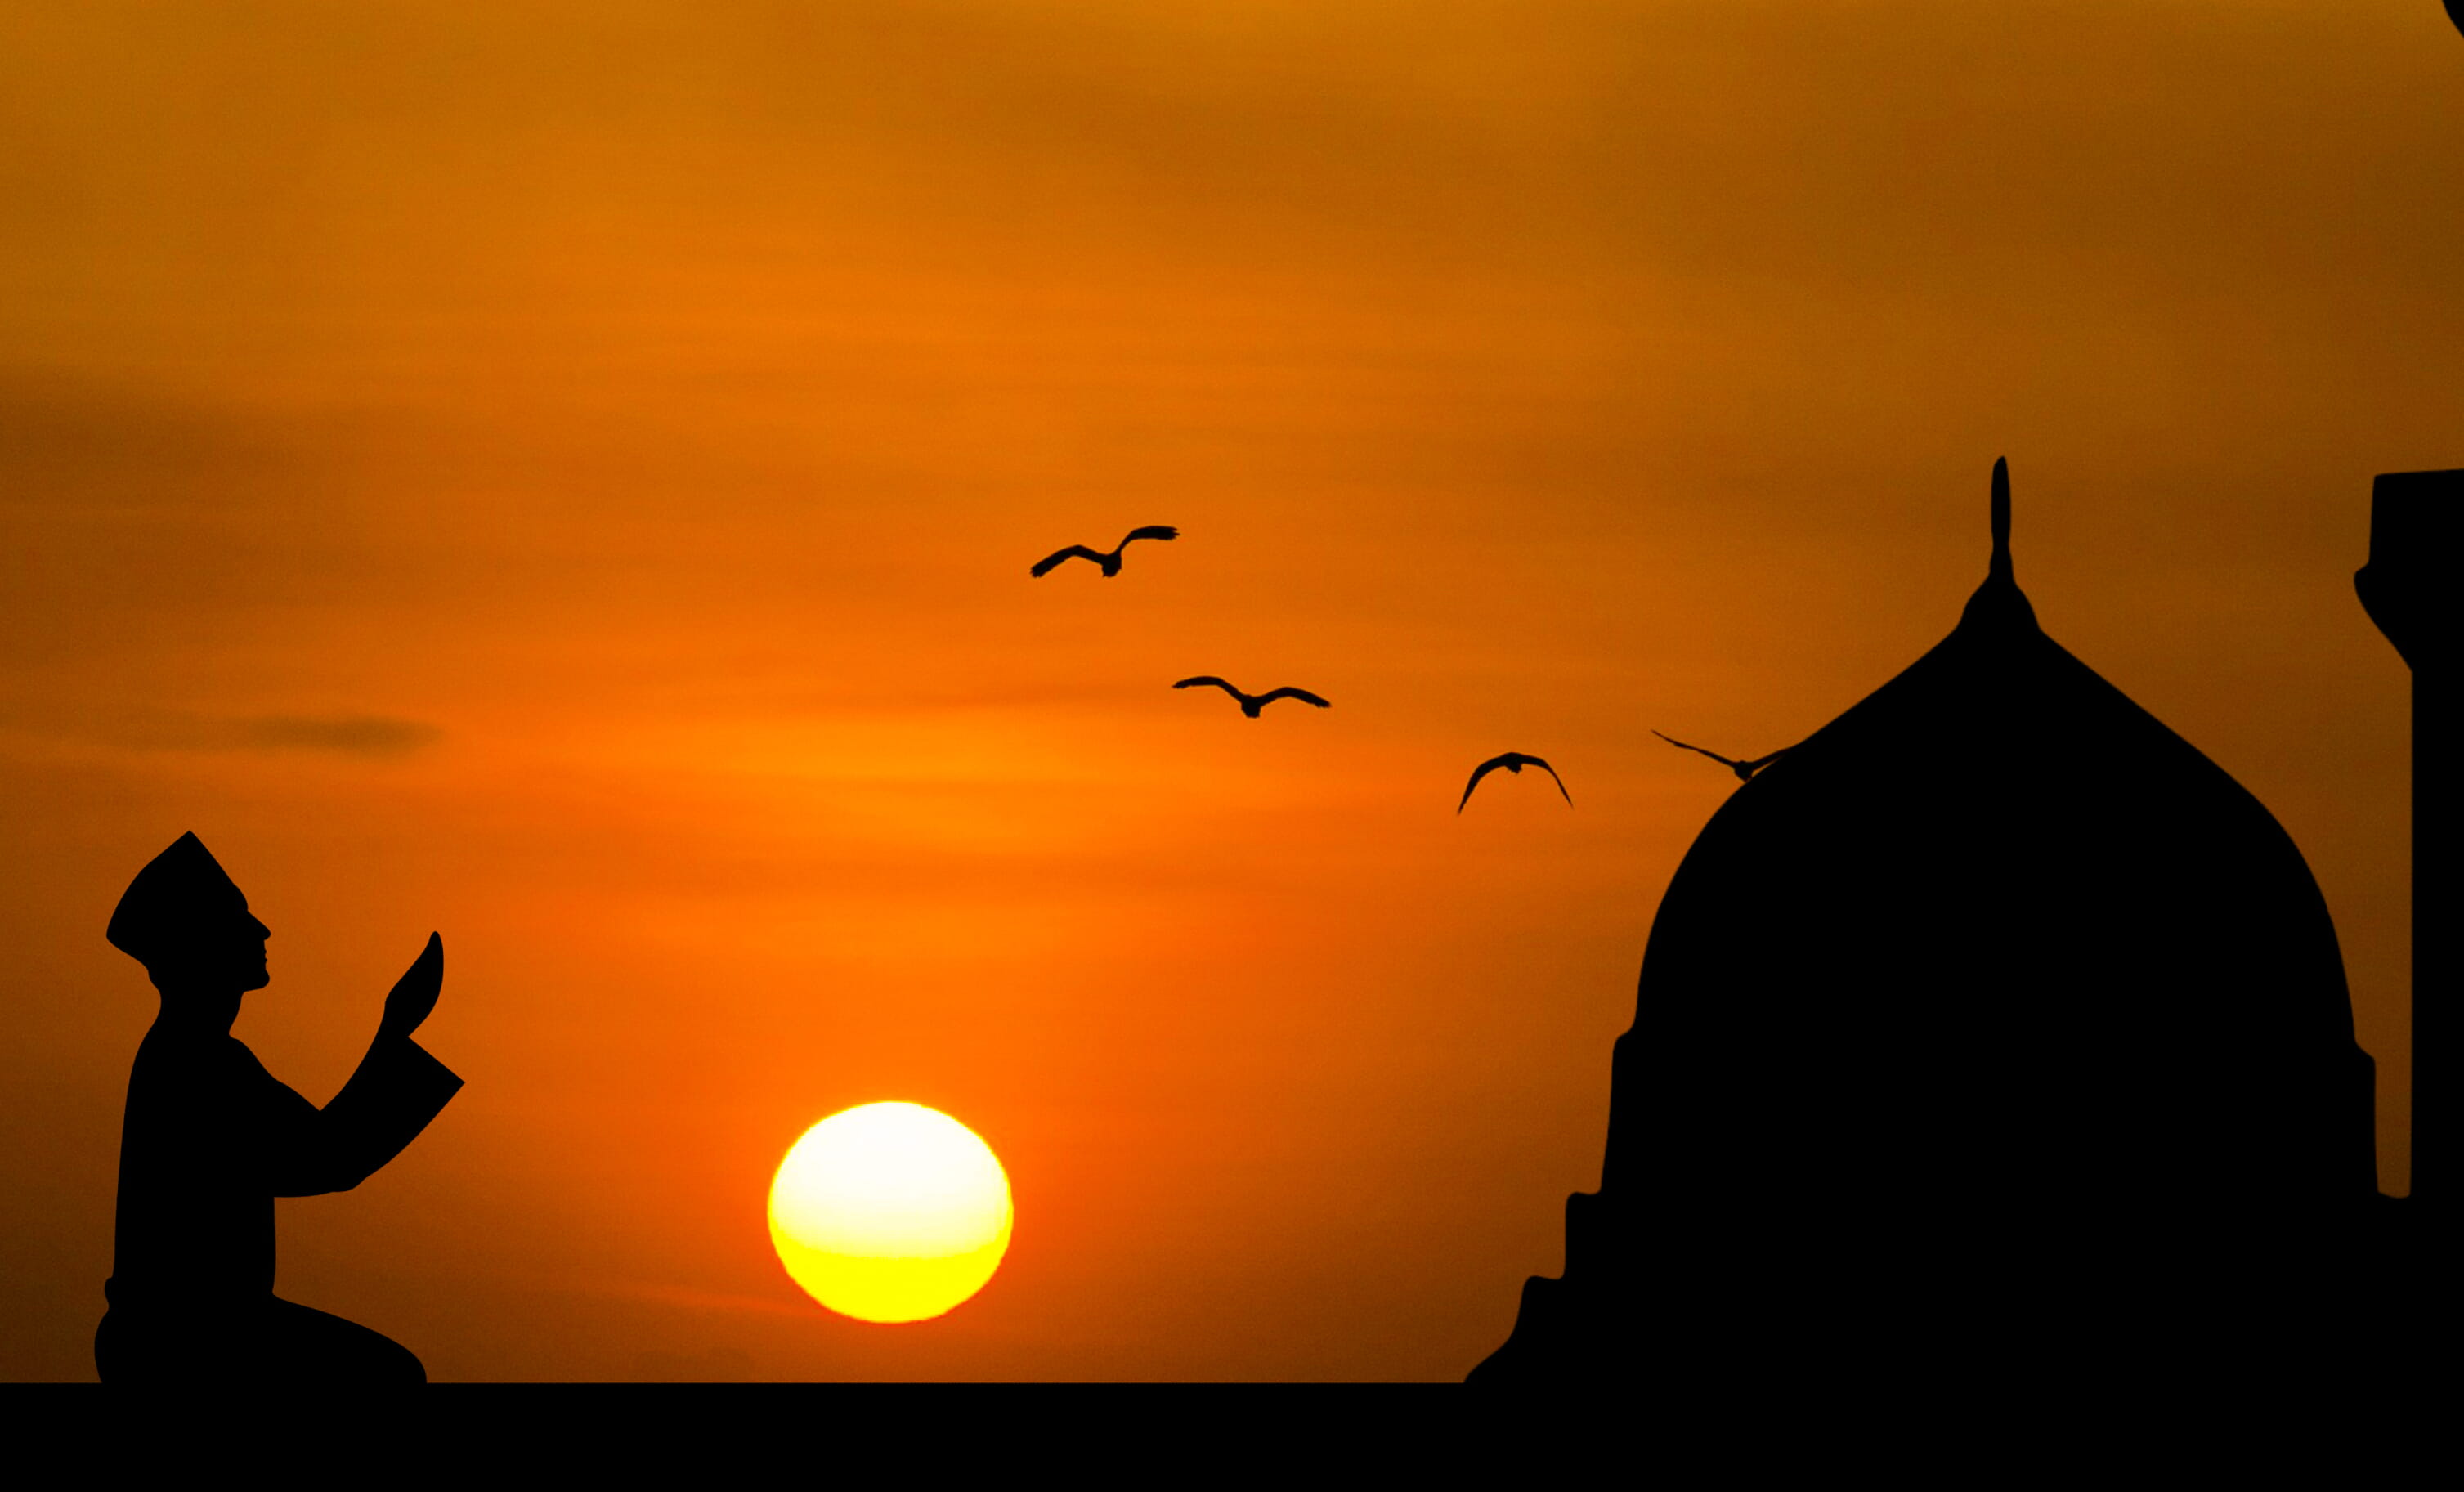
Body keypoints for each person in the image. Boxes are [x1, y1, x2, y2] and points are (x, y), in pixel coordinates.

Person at [94, 832, 464, 1383]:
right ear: (204, 943)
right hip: (186, 1336)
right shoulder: (200, 1062)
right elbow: (327, 1157)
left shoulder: (193, 1053)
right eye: (240, 918)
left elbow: (321, 1150)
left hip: (181, 1329)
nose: (262, 930)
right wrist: (395, 1031)